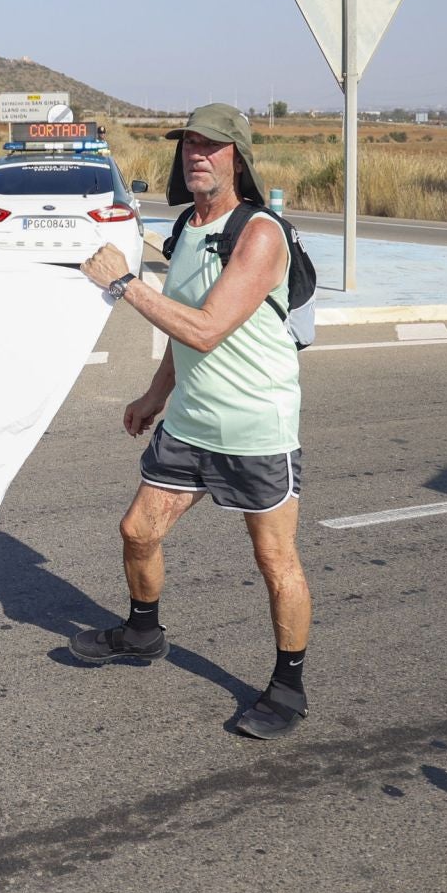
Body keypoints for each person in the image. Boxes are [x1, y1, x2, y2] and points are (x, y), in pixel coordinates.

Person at [75, 103, 312, 739]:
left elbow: (205, 330)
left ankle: (288, 688)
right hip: (189, 422)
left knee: (275, 561)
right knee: (137, 531)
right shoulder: (186, 226)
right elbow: (182, 329)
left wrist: (124, 284)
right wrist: (154, 395)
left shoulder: (259, 233)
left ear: (239, 157)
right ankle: (142, 632)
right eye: (189, 145)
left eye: (211, 146)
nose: (196, 156)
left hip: (255, 428)